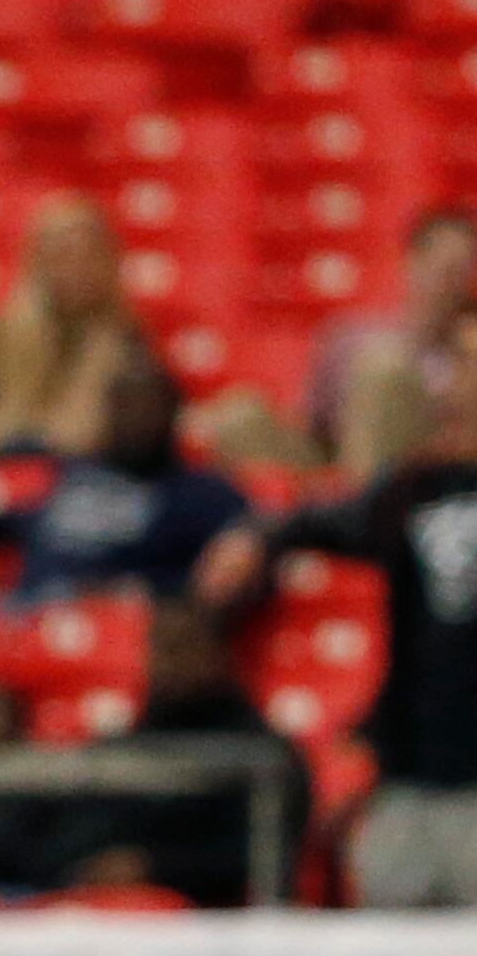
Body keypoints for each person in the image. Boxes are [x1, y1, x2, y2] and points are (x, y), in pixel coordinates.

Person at [198, 373, 477, 903]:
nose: (449, 389)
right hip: (410, 785)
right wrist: (255, 536)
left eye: (465, 368)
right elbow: (318, 523)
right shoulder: (413, 489)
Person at [45, 595, 306, 905]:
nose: (169, 663)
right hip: (105, 912)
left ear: (218, 653)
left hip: (213, 920)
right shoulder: (125, 746)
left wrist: (154, 868)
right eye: (159, 648)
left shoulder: (259, 755)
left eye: (183, 647)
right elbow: (65, 834)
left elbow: (260, 855)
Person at [0, 345, 246, 604]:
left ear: (172, 414)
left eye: (148, 407)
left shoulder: (199, 493)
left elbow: (242, 554)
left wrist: (148, 590)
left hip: (119, 632)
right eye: (124, 405)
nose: (136, 419)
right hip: (30, 621)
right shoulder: (60, 472)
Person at [0, 193, 141, 460]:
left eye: (89, 254)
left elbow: (127, 443)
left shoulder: (129, 342)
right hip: (5, 471)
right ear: (36, 261)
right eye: (62, 255)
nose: (77, 267)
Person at [311, 208, 473, 484]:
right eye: (442, 265)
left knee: (385, 372)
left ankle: (360, 515)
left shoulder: (468, 348)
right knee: (239, 416)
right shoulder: (349, 335)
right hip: (337, 459)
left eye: (461, 270)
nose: (448, 281)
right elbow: (315, 428)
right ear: (410, 261)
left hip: (418, 477)